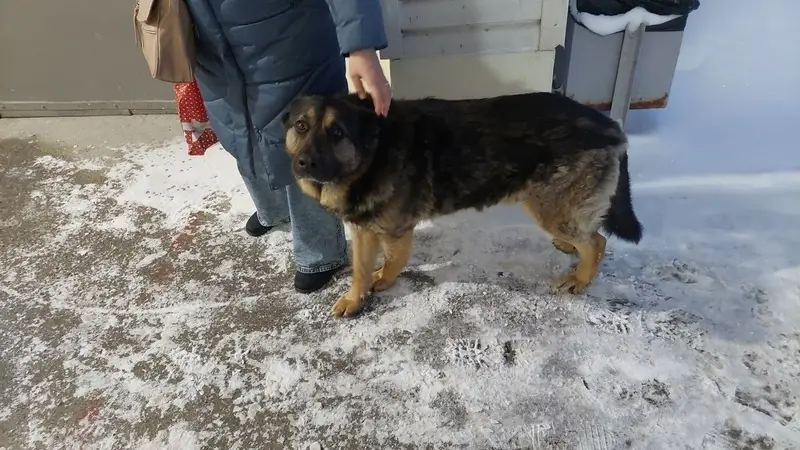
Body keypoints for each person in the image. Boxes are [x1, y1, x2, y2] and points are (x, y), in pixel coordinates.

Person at [184, 0, 392, 293]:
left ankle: (319, 254)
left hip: (289, 39)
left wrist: (361, 45)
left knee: (309, 152)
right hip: (212, 43)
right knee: (241, 134)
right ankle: (273, 210)